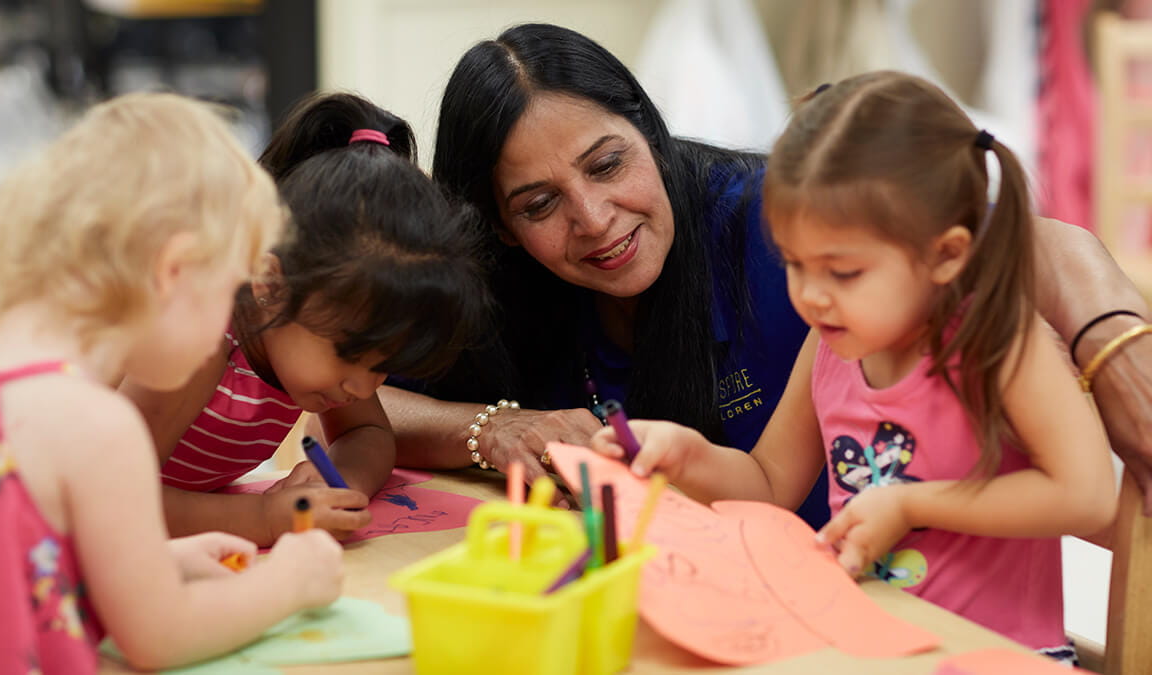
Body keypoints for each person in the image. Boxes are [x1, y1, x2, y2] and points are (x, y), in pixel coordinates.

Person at [381, 22, 1152, 525]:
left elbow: (1032, 240)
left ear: (651, 131)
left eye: (608, 163)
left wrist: (1112, 337)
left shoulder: (775, 227)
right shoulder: (498, 285)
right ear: (502, 228)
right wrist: (490, 427)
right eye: (540, 203)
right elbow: (348, 401)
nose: (593, 217)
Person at [591, 71, 1115, 660]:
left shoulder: (996, 343)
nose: (811, 296)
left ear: (945, 255)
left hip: (998, 655)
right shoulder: (831, 343)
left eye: (842, 272)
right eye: (794, 262)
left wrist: (912, 504)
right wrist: (691, 456)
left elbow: (1090, 496)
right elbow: (769, 483)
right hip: (866, 646)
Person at [0, 93, 344, 673]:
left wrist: (157, 559)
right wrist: (291, 582)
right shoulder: (100, 426)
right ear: (174, 270)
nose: (226, 328)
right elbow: (160, 635)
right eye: (228, 289)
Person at [120, 92, 489, 547]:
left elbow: (369, 432)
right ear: (270, 284)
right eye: (351, 355)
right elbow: (113, 500)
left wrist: (339, 481)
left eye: (381, 364)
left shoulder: (313, 340)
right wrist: (265, 517)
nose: (363, 386)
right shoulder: (199, 338)